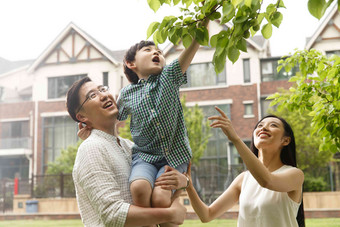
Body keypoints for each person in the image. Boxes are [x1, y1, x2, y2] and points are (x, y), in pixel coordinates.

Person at [117, 21, 208, 227]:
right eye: (148, 50)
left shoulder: (169, 77)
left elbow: (190, 51)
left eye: (159, 51)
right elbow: (113, 117)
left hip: (173, 155)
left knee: (160, 198)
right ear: (132, 63)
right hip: (145, 156)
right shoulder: (126, 94)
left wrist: (204, 25)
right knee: (139, 189)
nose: (156, 52)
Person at [66, 76, 189, 227]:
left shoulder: (131, 147)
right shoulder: (91, 148)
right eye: (93, 95)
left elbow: (161, 193)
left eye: (102, 89)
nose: (104, 95)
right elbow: (112, 214)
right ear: (82, 117)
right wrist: (169, 215)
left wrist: (183, 182)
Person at [156, 106, 305, 227]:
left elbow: (267, 181)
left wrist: (235, 138)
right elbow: (207, 215)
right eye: (259, 126)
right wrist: (189, 185)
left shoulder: (295, 175)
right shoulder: (243, 179)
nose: (263, 128)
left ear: (285, 141)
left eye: (273, 125)